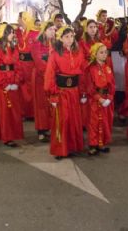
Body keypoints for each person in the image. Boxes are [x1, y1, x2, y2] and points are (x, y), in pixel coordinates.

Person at [45, 26, 86, 160]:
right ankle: (60, 149)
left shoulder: (78, 52)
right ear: (60, 38)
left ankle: (72, 147)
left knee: (74, 119)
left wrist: (83, 92)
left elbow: (83, 73)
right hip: (61, 92)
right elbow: (50, 75)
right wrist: (53, 94)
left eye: (71, 36)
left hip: (74, 92)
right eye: (66, 37)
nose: (70, 39)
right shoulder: (55, 54)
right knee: (62, 120)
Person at [0, 24, 23, 147]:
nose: (13, 35)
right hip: (1, 85)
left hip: (12, 81)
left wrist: (16, 81)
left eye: (13, 32)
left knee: (12, 111)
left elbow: (18, 65)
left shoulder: (14, 48)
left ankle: (9, 136)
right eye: (10, 32)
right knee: (0, 111)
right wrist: (4, 84)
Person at [85, 43, 115, 155]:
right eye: (101, 52)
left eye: (105, 52)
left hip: (107, 100)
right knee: (94, 123)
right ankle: (93, 145)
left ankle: (101, 144)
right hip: (95, 101)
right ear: (95, 54)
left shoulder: (107, 68)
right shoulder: (91, 69)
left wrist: (110, 97)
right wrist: (99, 99)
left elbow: (112, 84)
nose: (104, 55)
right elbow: (89, 87)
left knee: (105, 122)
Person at [30, 21, 55, 142]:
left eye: (54, 30)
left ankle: (48, 128)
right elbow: (38, 62)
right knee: (41, 104)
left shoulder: (53, 43)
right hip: (40, 77)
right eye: (50, 30)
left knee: (49, 103)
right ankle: (41, 130)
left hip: (50, 77)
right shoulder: (36, 43)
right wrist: (49, 71)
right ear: (44, 30)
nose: (53, 32)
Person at [16, 12, 39, 120]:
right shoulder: (22, 32)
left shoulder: (34, 33)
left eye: (19, 18)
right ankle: (24, 112)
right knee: (23, 88)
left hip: (31, 64)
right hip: (21, 64)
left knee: (31, 88)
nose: (18, 20)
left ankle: (32, 113)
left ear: (23, 19)